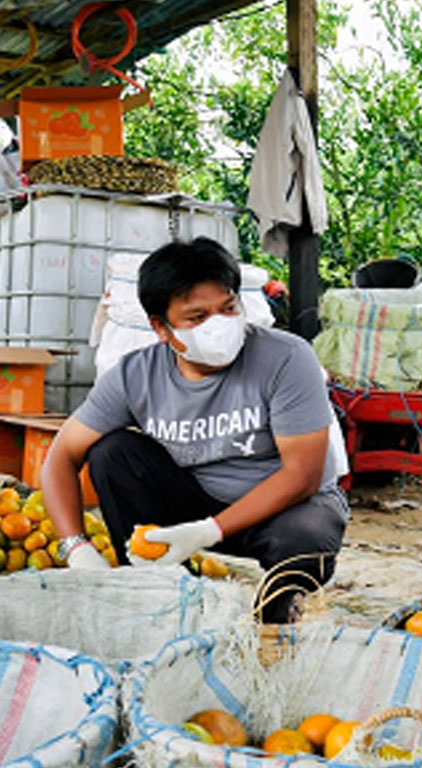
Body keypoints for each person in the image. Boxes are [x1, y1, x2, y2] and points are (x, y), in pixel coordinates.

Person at [42, 236, 349, 624]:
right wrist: (77, 548)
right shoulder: (135, 376)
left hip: (284, 509)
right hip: (196, 501)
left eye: (228, 308)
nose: (217, 326)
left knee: (307, 538)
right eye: (197, 318)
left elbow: (302, 475)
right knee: (112, 453)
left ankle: (275, 614)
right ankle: (158, 597)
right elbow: (61, 457)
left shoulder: (286, 358)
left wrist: (208, 531)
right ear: (161, 328)